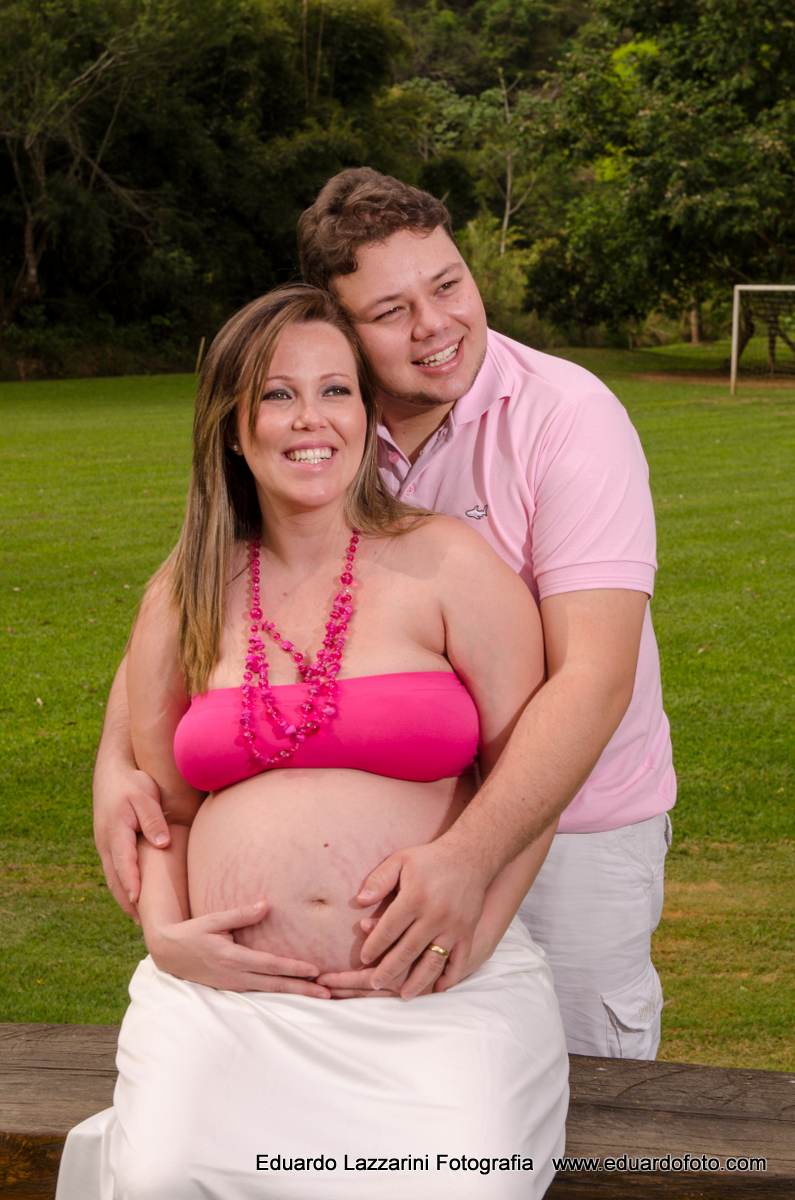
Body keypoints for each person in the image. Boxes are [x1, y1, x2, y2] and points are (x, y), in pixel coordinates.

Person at [93, 169, 675, 1059]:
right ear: (343, 340)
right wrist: (113, 766)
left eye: (447, 285)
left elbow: (593, 679)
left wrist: (469, 860)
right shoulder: (325, 432)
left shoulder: (567, 419)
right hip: (308, 962)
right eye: (391, 311)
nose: (436, 326)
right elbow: (189, 615)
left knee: (589, 1097)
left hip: (576, 820)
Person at [56, 285, 568, 1200]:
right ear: (230, 424)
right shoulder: (185, 591)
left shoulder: (449, 562)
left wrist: (475, 939)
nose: (311, 419)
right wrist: (169, 939)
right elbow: (165, 805)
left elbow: (527, 783)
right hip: (228, 1004)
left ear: (366, 416)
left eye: (336, 391)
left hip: (431, 994)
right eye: (278, 394)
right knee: (162, 1176)